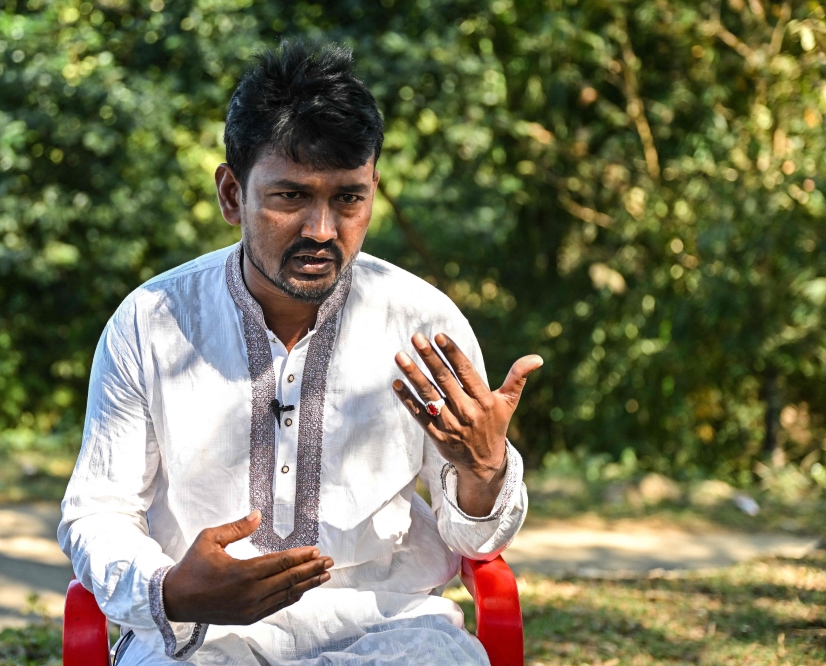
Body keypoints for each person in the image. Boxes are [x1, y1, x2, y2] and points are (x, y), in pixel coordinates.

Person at [58, 39, 542, 666]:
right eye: (290, 197)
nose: (322, 229)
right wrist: (169, 589)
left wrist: (483, 472)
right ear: (232, 194)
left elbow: (474, 540)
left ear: (373, 189)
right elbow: (98, 512)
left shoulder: (424, 322)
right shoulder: (151, 323)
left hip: (392, 634)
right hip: (203, 639)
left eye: (348, 198)